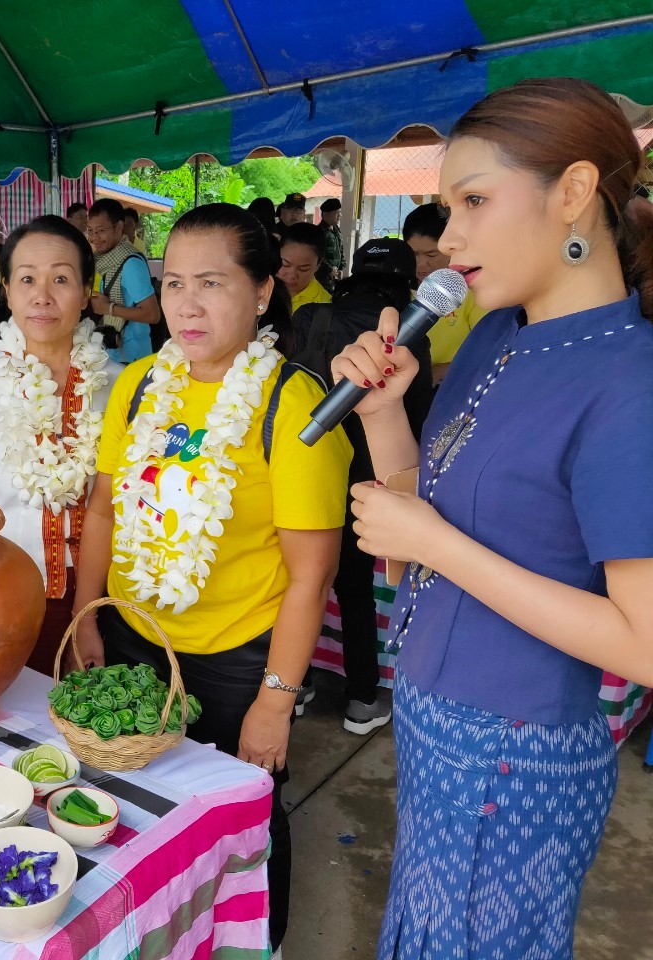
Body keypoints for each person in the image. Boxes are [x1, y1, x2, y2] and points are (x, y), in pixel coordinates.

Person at [331, 77, 653, 959]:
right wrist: (383, 412)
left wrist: (436, 543)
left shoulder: (629, 383)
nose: (450, 237)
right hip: (430, 709)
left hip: (520, 753)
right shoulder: (491, 336)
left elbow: (643, 643)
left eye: (474, 200)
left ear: (576, 192)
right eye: (445, 206)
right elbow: (418, 521)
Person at [72, 203, 353, 950]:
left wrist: (274, 700)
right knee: (137, 802)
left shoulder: (294, 404)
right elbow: (102, 512)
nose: (186, 305)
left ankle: (263, 938)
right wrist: (91, 614)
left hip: (239, 661)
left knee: (247, 812)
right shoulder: (137, 385)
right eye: (171, 285)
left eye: (212, 283)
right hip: (138, 641)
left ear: (262, 292)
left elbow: (311, 574)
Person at [0, 216, 122, 674]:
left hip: (119, 596)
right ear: (6, 289)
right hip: (11, 594)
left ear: (86, 289)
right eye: (27, 279)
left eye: (61, 278)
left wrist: (90, 611)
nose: (43, 295)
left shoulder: (122, 387)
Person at [290, 238, 433, 732]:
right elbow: (416, 418)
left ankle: (298, 682)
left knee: (298, 581)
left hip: (304, 469)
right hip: (365, 478)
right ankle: (361, 699)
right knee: (353, 588)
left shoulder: (312, 317)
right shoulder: (410, 333)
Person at [403, 202, 487, 385]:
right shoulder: (397, 290)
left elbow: (491, 351)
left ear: (451, 248)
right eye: (414, 254)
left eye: (431, 254)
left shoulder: (473, 292)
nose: (421, 264)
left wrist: (441, 371)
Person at [86, 198, 160, 364]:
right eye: (90, 231)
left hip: (133, 356)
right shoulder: (105, 260)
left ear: (119, 227)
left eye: (100, 231)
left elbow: (152, 314)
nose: (94, 238)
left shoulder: (131, 264)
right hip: (113, 351)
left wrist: (108, 308)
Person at [278, 222, 332, 312]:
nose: (292, 275)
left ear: (318, 265)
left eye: (303, 269)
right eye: (285, 264)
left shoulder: (324, 306)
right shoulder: (259, 287)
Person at [318, 198, 346, 286]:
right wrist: (329, 270)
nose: (340, 215)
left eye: (340, 212)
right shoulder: (319, 232)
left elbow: (341, 251)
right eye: (337, 212)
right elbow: (317, 255)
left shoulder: (337, 230)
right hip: (322, 278)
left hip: (334, 277)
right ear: (326, 214)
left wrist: (341, 268)